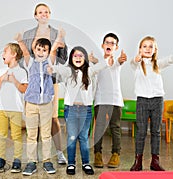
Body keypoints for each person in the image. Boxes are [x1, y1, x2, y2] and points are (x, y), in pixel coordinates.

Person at [15, 2, 68, 165]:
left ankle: (58, 152)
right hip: (32, 83)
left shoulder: (56, 33)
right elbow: (24, 57)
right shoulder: (29, 34)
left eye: (46, 12)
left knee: (52, 118)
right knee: (33, 120)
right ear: (35, 15)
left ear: (49, 14)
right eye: (40, 12)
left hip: (50, 81)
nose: (43, 14)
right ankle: (34, 158)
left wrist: (62, 44)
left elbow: (63, 58)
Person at [49, 46, 113, 175]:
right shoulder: (68, 71)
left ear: (85, 58)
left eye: (80, 56)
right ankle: (71, 164)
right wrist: (51, 67)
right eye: (75, 56)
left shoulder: (89, 71)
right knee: (72, 137)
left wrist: (108, 61)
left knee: (84, 138)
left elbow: (100, 66)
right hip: (71, 109)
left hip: (86, 110)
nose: (78, 58)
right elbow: (57, 68)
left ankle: (86, 163)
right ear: (71, 59)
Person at [130, 36, 173, 171]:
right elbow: (133, 63)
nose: (147, 49)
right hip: (142, 100)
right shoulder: (137, 64)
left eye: (150, 46)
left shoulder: (158, 64)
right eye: (144, 46)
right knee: (141, 131)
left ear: (155, 50)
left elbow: (168, 61)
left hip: (157, 100)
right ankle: (138, 161)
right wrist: (136, 59)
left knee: (156, 131)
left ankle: (155, 161)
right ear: (140, 49)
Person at [18, 38, 56, 176]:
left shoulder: (50, 63)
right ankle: (31, 162)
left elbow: (53, 55)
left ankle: (47, 161)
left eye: (44, 50)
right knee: (31, 135)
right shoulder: (30, 63)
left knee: (46, 134)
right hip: (31, 104)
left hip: (46, 104)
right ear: (34, 50)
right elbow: (25, 52)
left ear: (48, 52)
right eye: (38, 49)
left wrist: (57, 41)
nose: (41, 52)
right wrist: (20, 41)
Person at [93, 32, 127, 168]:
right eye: (107, 42)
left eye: (112, 43)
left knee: (115, 128)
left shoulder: (117, 62)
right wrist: (94, 61)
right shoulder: (98, 62)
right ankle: (97, 154)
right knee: (99, 128)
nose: (109, 45)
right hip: (100, 100)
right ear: (102, 45)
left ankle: (116, 154)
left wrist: (121, 59)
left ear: (116, 47)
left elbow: (118, 62)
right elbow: (97, 67)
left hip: (115, 100)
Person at [0, 43, 28, 173]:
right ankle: (1, 160)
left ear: (13, 54)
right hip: (2, 108)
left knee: (16, 136)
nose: (2, 55)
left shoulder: (22, 71)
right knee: (1, 135)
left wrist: (14, 80)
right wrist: (2, 78)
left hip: (16, 109)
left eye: (5, 52)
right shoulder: (1, 71)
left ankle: (17, 160)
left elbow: (24, 89)